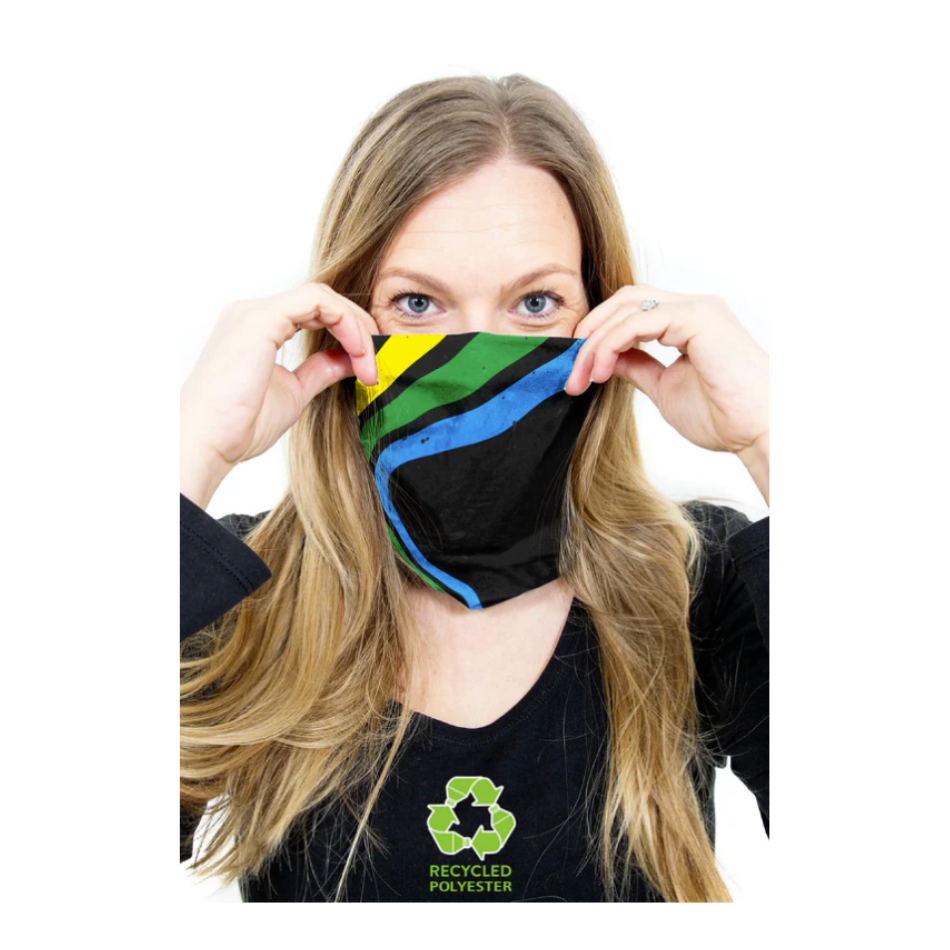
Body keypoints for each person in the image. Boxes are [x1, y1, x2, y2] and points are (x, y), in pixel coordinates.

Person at [180, 73, 769, 903]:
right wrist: (192, 453)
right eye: (418, 302)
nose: (476, 359)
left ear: (605, 316)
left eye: (537, 301)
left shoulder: (696, 580)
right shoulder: (246, 588)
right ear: (343, 321)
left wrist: (773, 436)